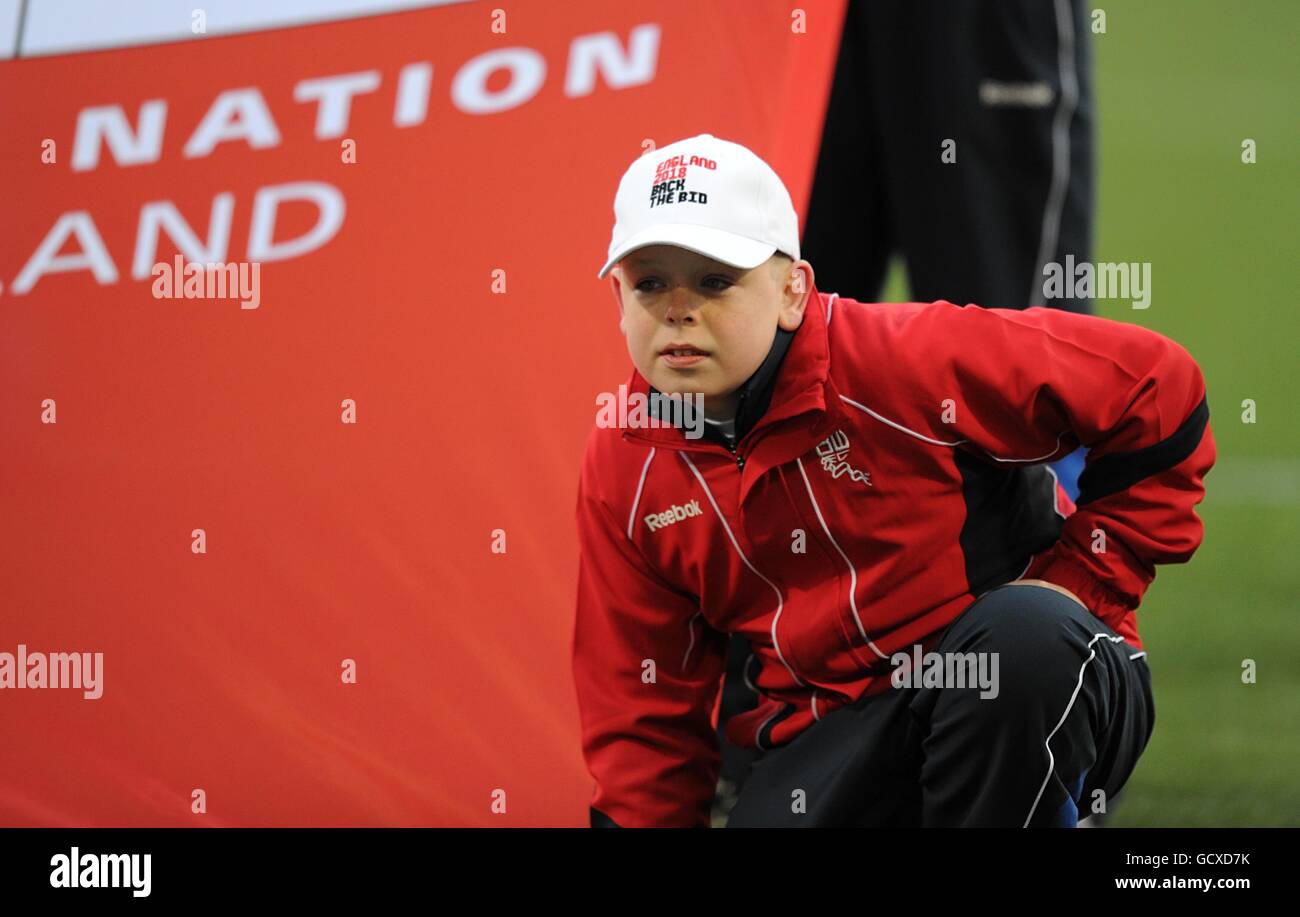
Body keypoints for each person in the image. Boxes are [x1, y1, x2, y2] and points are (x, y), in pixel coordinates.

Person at [572, 134, 1214, 827]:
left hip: (1017, 686)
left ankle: (1057, 803)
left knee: (1027, 640)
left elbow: (1158, 385)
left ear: (793, 290)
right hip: (827, 728)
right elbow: (641, 717)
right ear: (617, 297)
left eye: (716, 280)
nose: (678, 310)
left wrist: (1085, 583)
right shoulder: (623, 467)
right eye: (649, 283)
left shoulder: (904, 359)